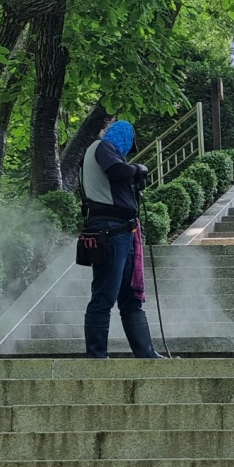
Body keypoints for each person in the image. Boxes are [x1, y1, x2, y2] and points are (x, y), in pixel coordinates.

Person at [80, 120, 164, 359]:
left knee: (130, 297)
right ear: (123, 136)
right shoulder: (102, 147)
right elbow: (117, 171)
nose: (127, 151)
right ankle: (96, 357)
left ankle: (146, 354)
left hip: (122, 231)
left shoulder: (104, 151)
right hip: (109, 230)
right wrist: (137, 169)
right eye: (128, 145)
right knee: (105, 294)